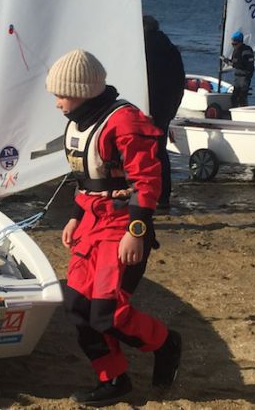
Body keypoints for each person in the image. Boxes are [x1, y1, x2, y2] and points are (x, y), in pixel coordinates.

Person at [45, 49, 181, 407]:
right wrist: (75, 215)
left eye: (61, 95)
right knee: (78, 309)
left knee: (109, 314)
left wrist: (136, 231)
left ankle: (165, 343)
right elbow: (87, 178)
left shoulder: (125, 122)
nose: (57, 103)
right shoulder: (80, 122)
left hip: (120, 228)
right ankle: (114, 379)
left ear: (81, 92)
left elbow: (147, 182)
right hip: (91, 226)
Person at [143, 15, 185, 210]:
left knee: (141, 152)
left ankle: (144, 194)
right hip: (165, 108)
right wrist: (173, 108)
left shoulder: (141, 48)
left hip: (146, 107)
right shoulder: (171, 49)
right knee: (160, 151)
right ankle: (163, 196)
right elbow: (180, 81)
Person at [224, 30, 254, 107]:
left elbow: (244, 64)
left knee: (242, 97)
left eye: (235, 44)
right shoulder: (236, 50)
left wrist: (231, 63)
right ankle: (233, 111)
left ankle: (243, 111)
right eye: (232, 44)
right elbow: (235, 62)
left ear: (240, 42)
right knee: (234, 97)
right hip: (237, 77)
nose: (233, 45)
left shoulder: (247, 51)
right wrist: (228, 61)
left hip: (244, 77)